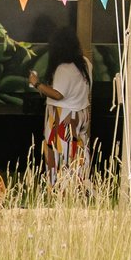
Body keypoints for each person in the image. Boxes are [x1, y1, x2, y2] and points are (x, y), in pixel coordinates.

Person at [29, 46, 91, 183]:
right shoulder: (85, 63)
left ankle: (59, 188)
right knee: (79, 150)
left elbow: (58, 94)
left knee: (59, 154)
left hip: (63, 116)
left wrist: (36, 83)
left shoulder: (63, 68)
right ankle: (81, 183)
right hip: (81, 113)